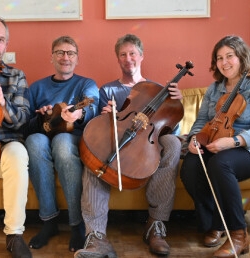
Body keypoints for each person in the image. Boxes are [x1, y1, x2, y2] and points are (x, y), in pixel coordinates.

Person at [74, 34, 183, 258]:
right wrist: (107, 115)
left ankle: (155, 226)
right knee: (94, 152)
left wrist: (175, 103)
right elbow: (101, 127)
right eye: (122, 54)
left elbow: (171, 130)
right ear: (118, 59)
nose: (128, 58)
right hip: (117, 142)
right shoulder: (107, 91)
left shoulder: (157, 90)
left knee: (172, 143)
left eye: (132, 53)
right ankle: (95, 237)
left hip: (146, 147)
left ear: (141, 56)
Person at [24, 36, 99, 252]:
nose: (65, 57)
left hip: (71, 136)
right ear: (52, 57)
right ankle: (49, 222)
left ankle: (77, 224)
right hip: (43, 136)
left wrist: (78, 113)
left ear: (77, 58)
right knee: (34, 140)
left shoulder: (86, 84)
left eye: (70, 53)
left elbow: (92, 106)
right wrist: (39, 117)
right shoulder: (37, 88)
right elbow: (25, 126)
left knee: (63, 141)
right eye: (60, 52)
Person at [180, 35, 250, 257]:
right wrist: (194, 139)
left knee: (220, 164)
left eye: (230, 56)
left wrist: (233, 141)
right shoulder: (214, 88)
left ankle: (239, 235)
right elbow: (202, 121)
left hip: (244, 147)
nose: (224, 62)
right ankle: (216, 223)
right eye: (219, 58)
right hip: (214, 141)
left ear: (241, 57)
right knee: (190, 167)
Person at [0, 16, 31, 258]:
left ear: (6, 45)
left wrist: (2, 102)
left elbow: (23, 120)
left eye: (0, 40)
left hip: (2, 148)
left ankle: (14, 234)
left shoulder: (15, 76)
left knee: (18, 153)